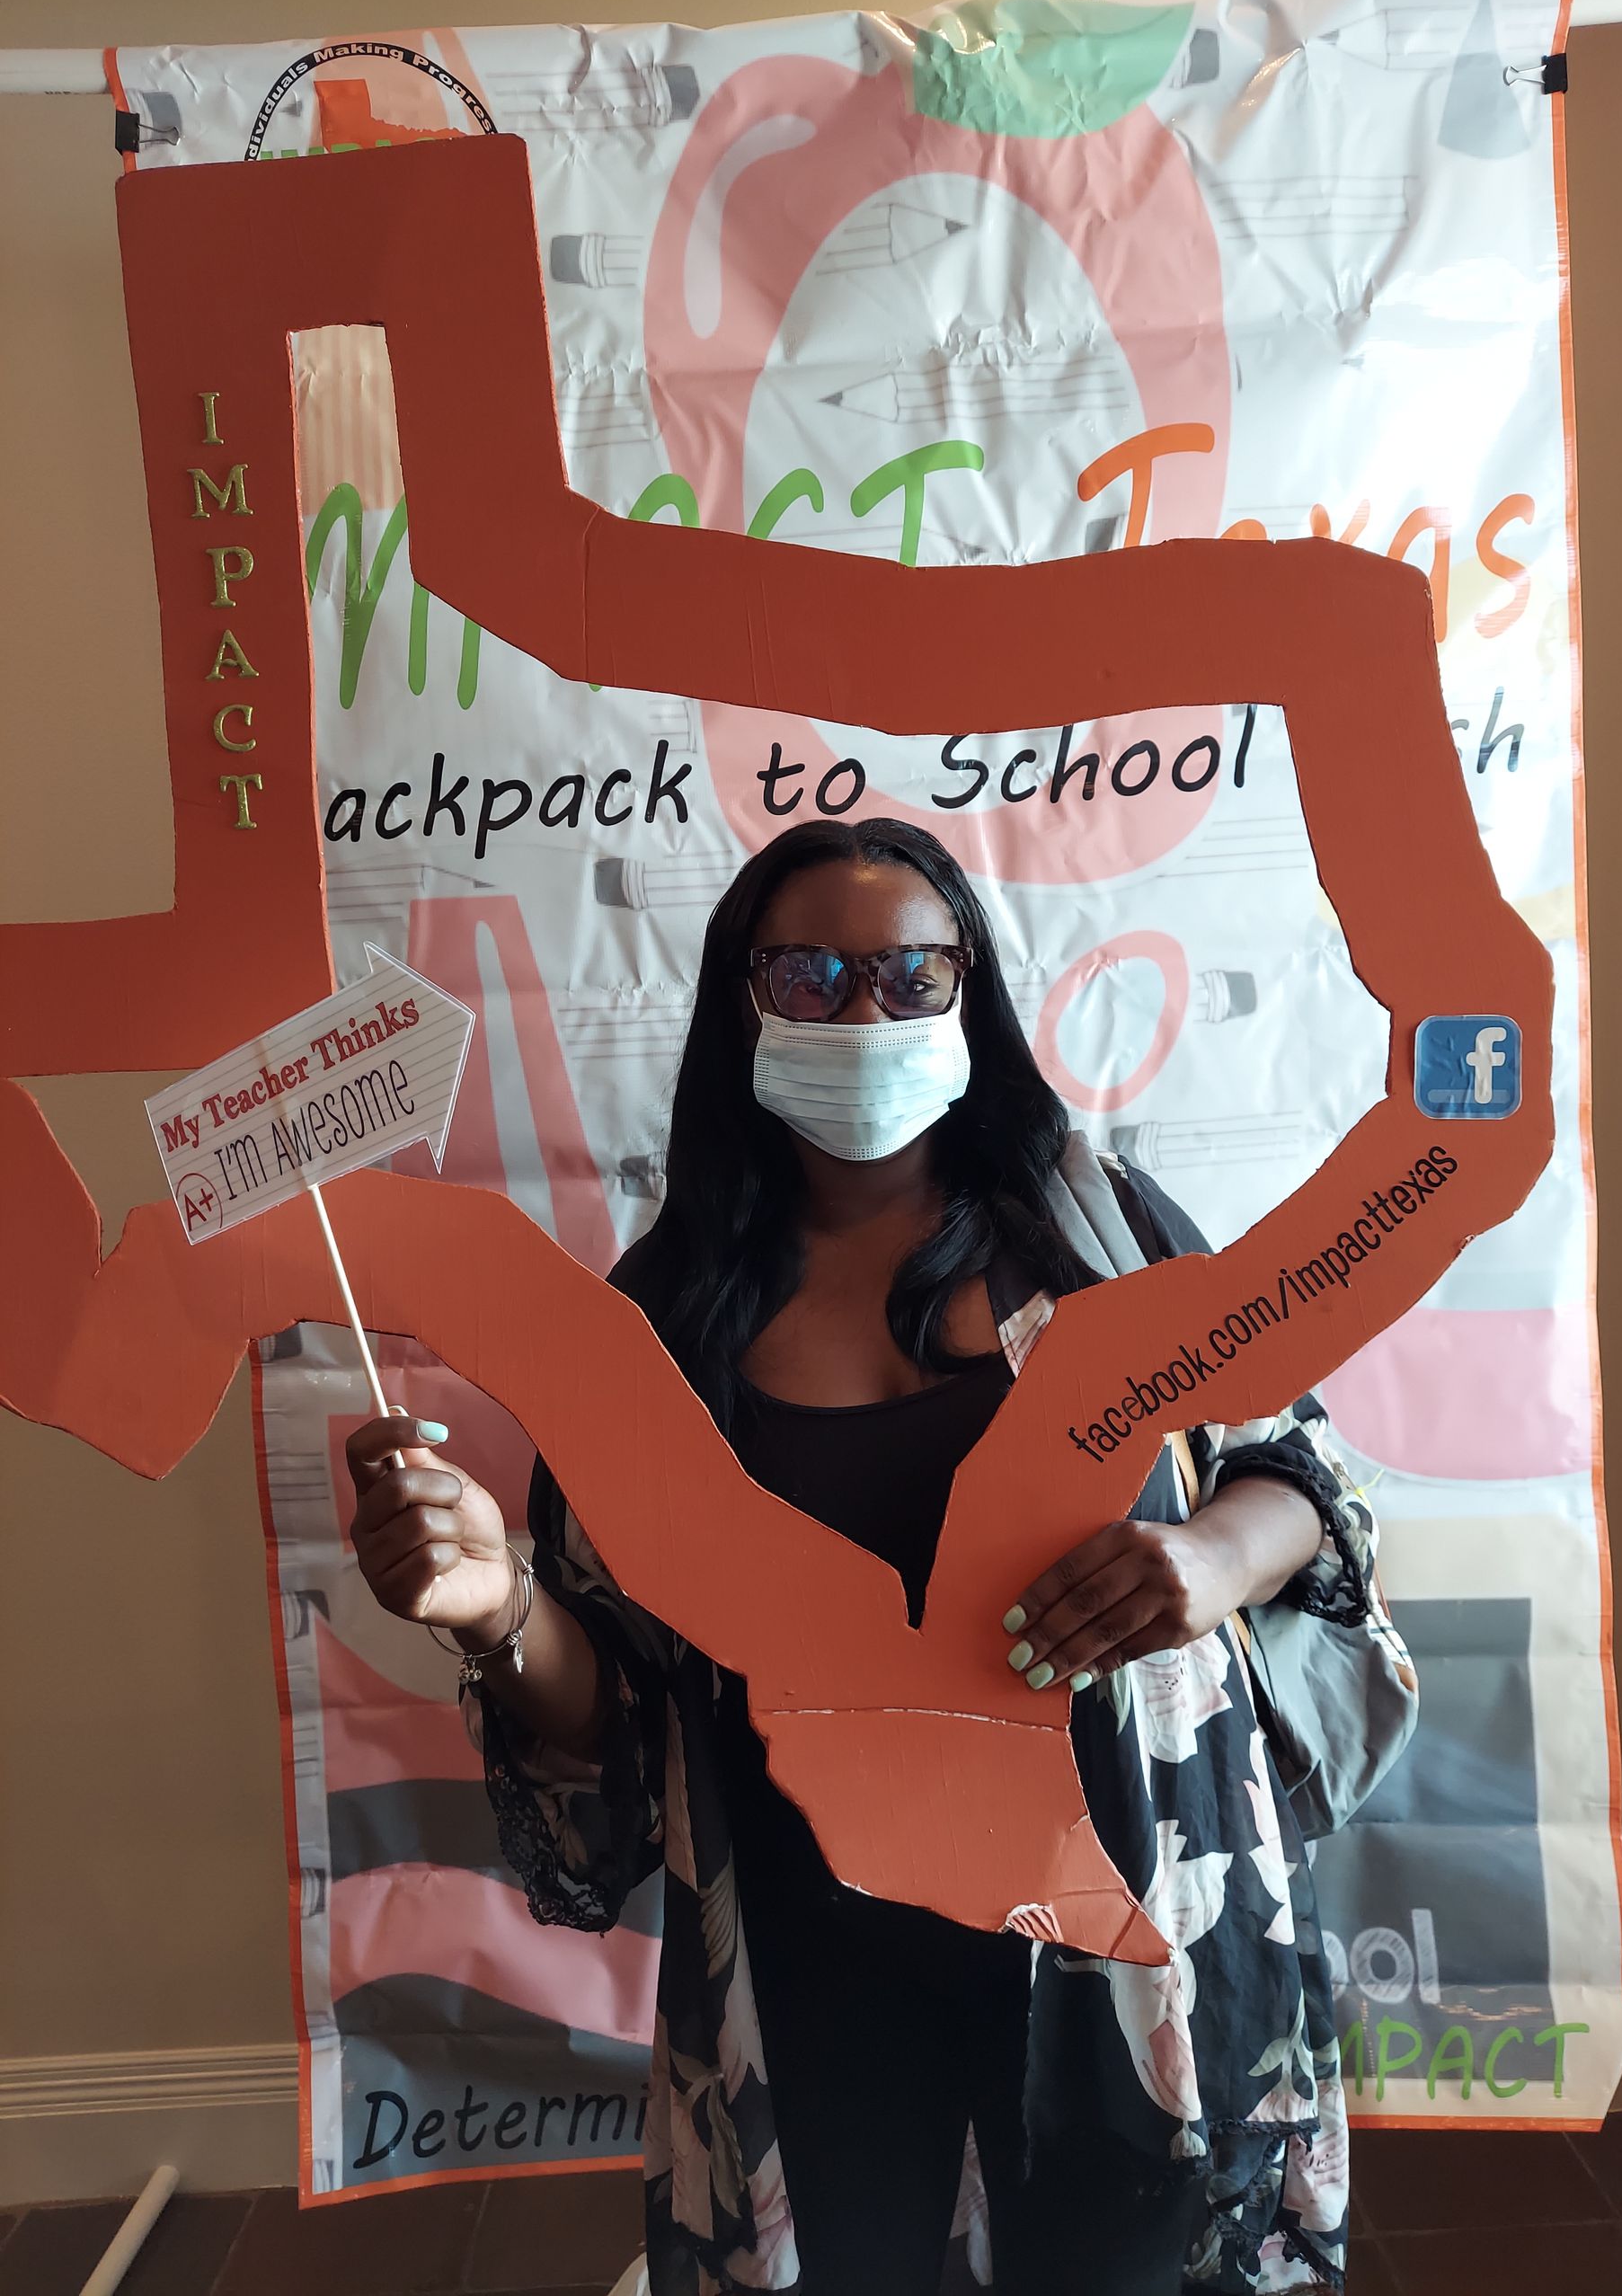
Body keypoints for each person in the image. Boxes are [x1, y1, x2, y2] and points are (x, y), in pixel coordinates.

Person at [345, 819, 1372, 2295]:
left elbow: (1303, 1468)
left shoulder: (1106, 1236)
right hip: (811, 1955)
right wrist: (495, 1608)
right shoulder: (653, 1325)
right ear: (744, 1001)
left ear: (971, 993)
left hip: (1134, 1930)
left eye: (910, 974)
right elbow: (622, 1709)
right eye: (813, 975)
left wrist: (1210, 1556)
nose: (864, 1013)